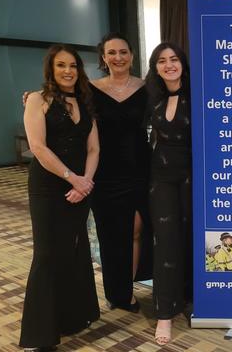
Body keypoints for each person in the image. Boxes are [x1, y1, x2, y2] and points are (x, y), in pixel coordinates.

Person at [19, 44, 100, 351]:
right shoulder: (37, 100)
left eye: (73, 66)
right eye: (61, 65)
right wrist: (73, 178)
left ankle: (74, 317)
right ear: (51, 70)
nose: (68, 71)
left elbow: (94, 148)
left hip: (81, 188)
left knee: (74, 251)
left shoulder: (85, 102)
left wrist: (86, 183)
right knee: (47, 254)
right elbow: (38, 147)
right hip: (49, 187)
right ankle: (38, 336)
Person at [89, 32, 153, 313]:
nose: (118, 57)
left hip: (141, 168)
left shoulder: (148, 87)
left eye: (123, 52)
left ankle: (126, 290)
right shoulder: (89, 89)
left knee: (137, 229)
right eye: (112, 52)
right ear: (103, 57)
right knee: (110, 234)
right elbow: (61, 104)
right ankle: (115, 292)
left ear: (132, 55)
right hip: (104, 172)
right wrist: (32, 98)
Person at [144, 42, 192, 346]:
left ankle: (193, 299)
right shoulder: (149, 96)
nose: (169, 65)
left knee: (192, 238)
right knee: (164, 241)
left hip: (194, 175)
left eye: (174, 59)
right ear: (155, 66)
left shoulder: (199, 93)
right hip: (160, 176)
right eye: (162, 61)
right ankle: (165, 312)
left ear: (183, 64)